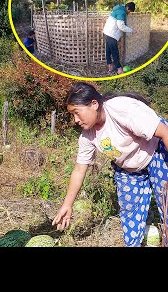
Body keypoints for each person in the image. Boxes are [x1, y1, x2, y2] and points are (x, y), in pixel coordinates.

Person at [52, 82, 168, 247]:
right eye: (72, 115)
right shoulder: (88, 135)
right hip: (129, 166)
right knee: (130, 219)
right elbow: (79, 169)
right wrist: (67, 205)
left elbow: (165, 132)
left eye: (77, 113)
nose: (75, 120)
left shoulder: (122, 109)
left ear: (94, 104)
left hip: (157, 149)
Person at [103, 2, 135, 75]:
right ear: (127, 8)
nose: (129, 13)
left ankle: (110, 66)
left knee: (108, 50)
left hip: (107, 32)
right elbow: (121, 26)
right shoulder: (122, 12)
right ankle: (119, 69)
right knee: (115, 52)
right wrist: (131, 30)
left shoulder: (118, 9)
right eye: (130, 11)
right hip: (112, 33)